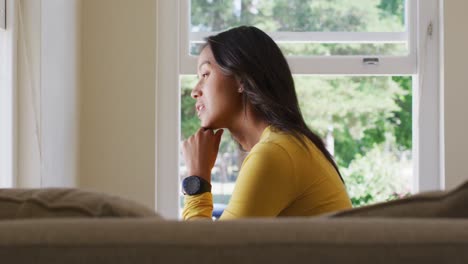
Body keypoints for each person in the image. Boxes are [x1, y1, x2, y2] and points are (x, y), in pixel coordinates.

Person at [181, 26, 352, 220]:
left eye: (205, 75)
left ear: (241, 79)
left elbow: (204, 250)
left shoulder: (275, 152)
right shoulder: (283, 145)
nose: (195, 91)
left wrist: (197, 178)